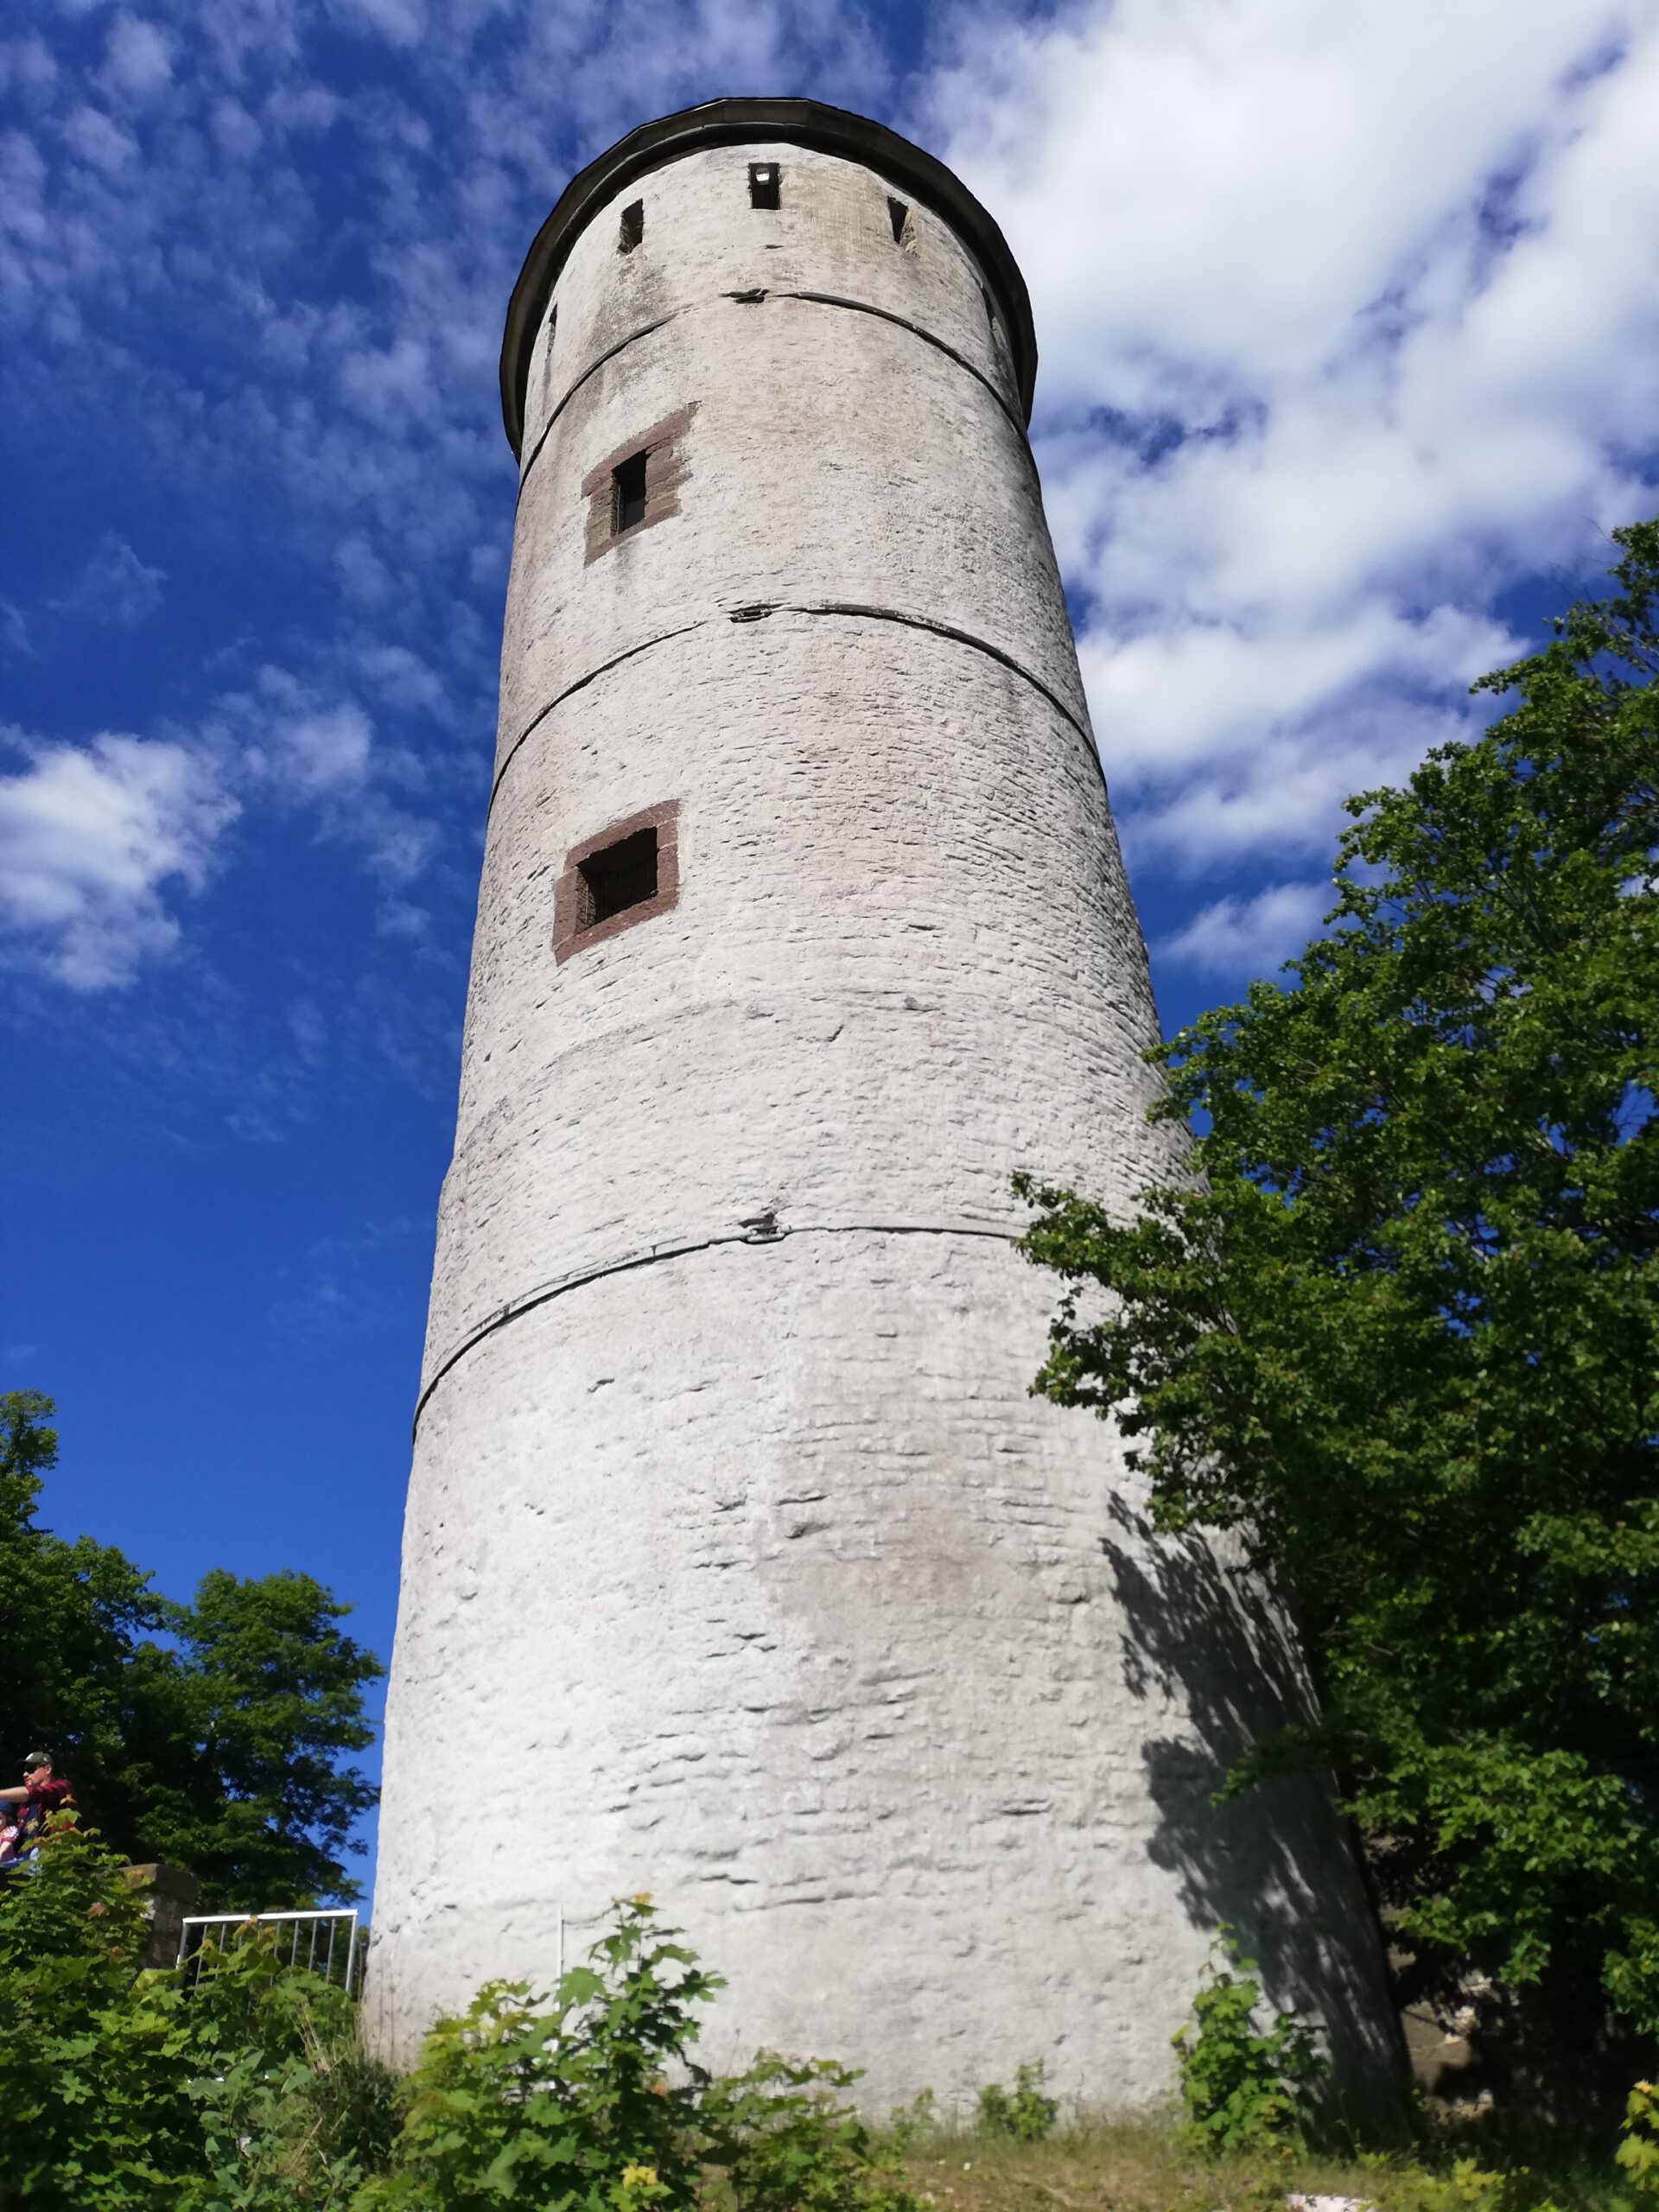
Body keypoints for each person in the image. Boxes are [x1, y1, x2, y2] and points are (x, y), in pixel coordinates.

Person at [0, 1751, 76, 1864]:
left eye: (30, 1769)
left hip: (50, 1858)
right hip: (20, 1860)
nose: (25, 1774)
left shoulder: (63, 1788)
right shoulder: (24, 1805)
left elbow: (37, 1793)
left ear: (47, 1769)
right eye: (23, 1771)